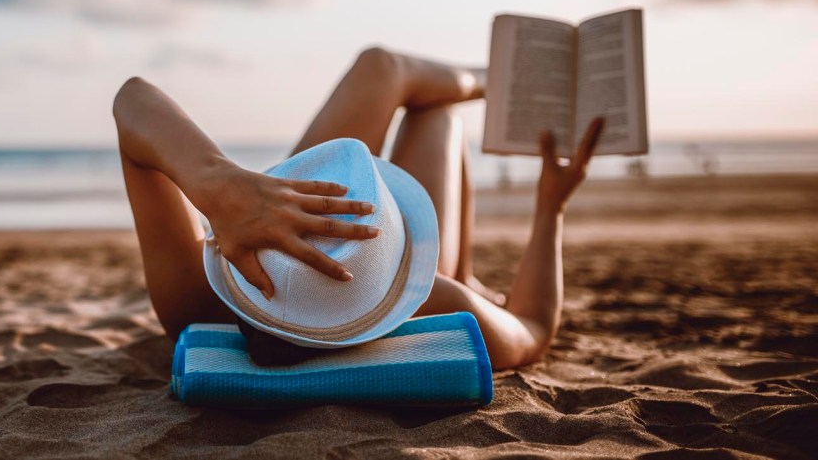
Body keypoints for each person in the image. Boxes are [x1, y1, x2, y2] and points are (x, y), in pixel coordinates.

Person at [112, 47, 603, 370]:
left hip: (273, 242)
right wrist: (551, 206)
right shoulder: (438, 305)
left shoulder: (198, 302)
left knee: (381, 68)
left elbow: (133, 100)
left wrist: (217, 181)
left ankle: (493, 80)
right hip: (437, 286)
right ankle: (496, 81)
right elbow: (534, 326)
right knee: (434, 111)